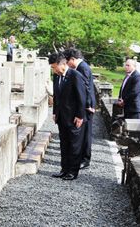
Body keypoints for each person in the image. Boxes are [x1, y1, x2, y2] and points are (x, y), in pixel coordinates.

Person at [49, 52, 86, 181]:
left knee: (74, 145)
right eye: (52, 68)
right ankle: (64, 169)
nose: (53, 70)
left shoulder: (75, 76)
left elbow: (81, 97)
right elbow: (56, 96)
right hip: (61, 116)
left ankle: (72, 171)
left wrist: (80, 116)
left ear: (63, 64)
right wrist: (55, 112)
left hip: (74, 117)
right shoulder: (57, 76)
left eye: (54, 67)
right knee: (64, 144)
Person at [63, 48, 95, 170]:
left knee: (86, 134)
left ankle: (85, 159)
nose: (67, 64)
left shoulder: (83, 68)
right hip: (85, 105)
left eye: (67, 61)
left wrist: (88, 105)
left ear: (72, 59)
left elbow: (86, 88)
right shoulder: (81, 67)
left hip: (87, 106)